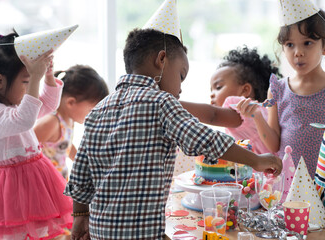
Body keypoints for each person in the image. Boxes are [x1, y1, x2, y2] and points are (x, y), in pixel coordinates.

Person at [64, 27, 282, 239]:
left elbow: (81, 176)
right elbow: (205, 140)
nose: (180, 89)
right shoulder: (161, 102)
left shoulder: (98, 110)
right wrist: (256, 160)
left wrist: (80, 216)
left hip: (102, 230)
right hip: (143, 233)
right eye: (181, 75)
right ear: (161, 60)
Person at [0, 32, 73, 239]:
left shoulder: (16, 106)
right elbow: (24, 119)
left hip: (35, 178)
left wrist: (47, 77)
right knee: (17, 233)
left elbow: (48, 105)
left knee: (40, 232)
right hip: (13, 186)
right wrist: (36, 78)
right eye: (25, 82)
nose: (29, 88)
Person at [237, 8, 325, 179]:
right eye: (290, 45)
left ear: (324, 46)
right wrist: (257, 116)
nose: (298, 52)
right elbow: (273, 144)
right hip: (289, 185)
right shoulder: (277, 90)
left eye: (307, 42)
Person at [180, 46, 282, 154]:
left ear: (245, 90)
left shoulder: (243, 110)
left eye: (218, 87)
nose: (212, 95)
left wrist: (171, 103)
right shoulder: (264, 111)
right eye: (211, 90)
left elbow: (213, 115)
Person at [34, 65, 109, 180]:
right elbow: (24, 146)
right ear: (71, 103)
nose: (95, 116)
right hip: (44, 181)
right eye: (91, 110)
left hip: (59, 179)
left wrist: (82, 162)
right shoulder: (52, 123)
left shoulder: (68, 120)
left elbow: (65, 146)